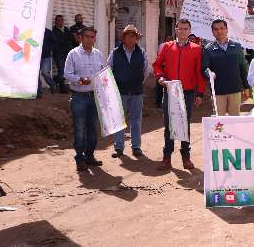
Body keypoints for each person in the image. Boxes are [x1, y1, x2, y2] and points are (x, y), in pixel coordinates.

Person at [152, 19, 206, 171]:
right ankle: (167, 157)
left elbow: (199, 73)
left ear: (190, 31)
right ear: (175, 30)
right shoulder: (167, 47)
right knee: (169, 125)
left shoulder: (196, 49)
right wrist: (160, 77)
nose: (182, 31)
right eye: (180, 28)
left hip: (187, 92)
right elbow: (157, 64)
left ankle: (186, 157)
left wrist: (200, 93)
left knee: (184, 124)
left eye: (185, 29)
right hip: (170, 91)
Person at [63, 26, 105, 172]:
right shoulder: (73, 54)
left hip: (94, 97)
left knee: (92, 128)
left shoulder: (98, 54)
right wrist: (80, 80)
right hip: (79, 97)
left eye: (92, 37)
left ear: (95, 39)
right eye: (87, 36)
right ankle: (79, 158)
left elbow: (102, 74)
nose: (90, 39)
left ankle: (90, 156)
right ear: (81, 38)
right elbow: (67, 74)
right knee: (80, 128)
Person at [108, 24, 149, 158]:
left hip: (137, 92)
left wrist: (137, 82)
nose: (131, 39)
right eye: (128, 36)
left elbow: (146, 71)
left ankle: (136, 147)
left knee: (136, 120)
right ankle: (119, 147)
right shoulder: (115, 52)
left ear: (136, 39)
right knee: (120, 120)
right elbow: (108, 70)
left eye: (133, 36)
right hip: (120, 92)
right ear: (124, 38)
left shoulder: (142, 53)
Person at [202, 19, 250, 117]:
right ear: (212, 32)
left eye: (221, 28)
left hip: (235, 90)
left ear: (227, 29)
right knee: (219, 124)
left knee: (235, 121)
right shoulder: (208, 49)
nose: (219, 31)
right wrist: (209, 73)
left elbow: (243, 68)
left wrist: (246, 87)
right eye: (216, 29)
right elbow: (204, 68)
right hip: (218, 92)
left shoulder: (237, 47)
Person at [52, 15, 73, 93]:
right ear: (56, 21)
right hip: (59, 53)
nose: (61, 21)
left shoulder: (66, 29)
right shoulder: (54, 30)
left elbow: (69, 39)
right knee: (62, 70)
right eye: (59, 20)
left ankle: (56, 79)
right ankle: (62, 88)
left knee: (66, 70)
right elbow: (58, 41)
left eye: (62, 20)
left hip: (67, 53)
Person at [38, 27, 57, 98]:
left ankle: (52, 84)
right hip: (35, 57)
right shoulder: (34, 30)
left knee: (45, 73)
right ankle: (38, 92)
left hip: (46, 56)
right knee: (36, 75)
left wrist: (48, 49)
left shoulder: (48, 32)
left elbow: (54, 42)